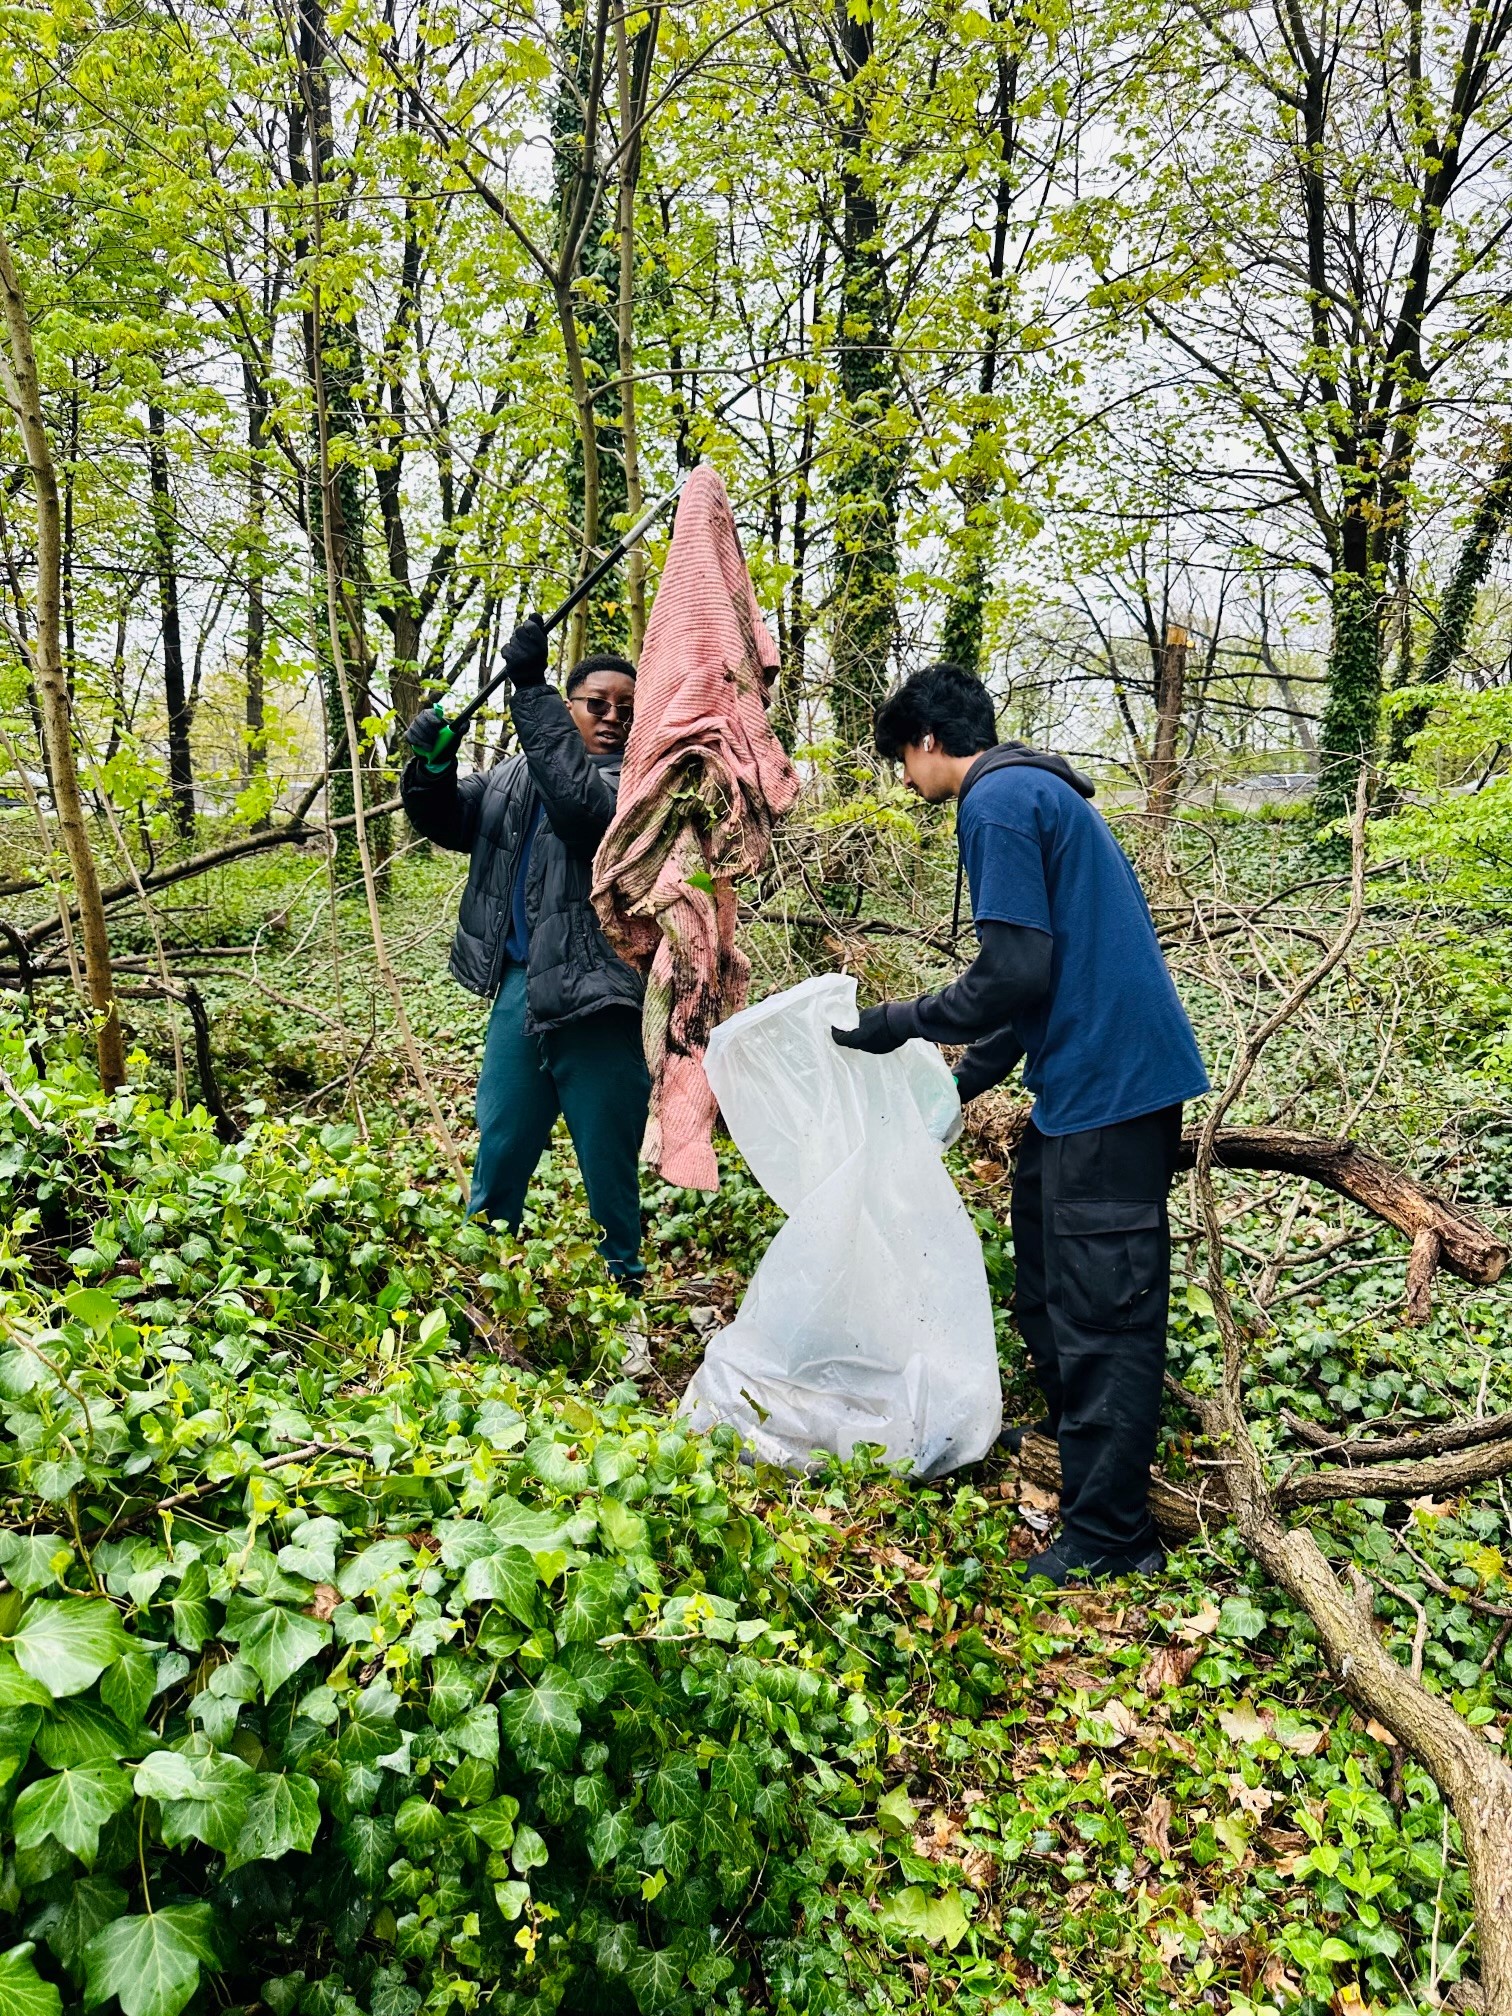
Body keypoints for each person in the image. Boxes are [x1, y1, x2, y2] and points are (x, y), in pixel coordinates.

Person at [833, 662, 1209, 1584]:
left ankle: (1112, 1535)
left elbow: (1009, 975)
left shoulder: (995, 803)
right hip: (1087, 1083)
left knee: (1103, 1308)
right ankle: (1075, 1435)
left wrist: (897, 1023)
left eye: (901, 762)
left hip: (1111, 1085)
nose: (907, 784)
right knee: (1042, 1246)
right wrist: (959, 1087)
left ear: (926, 743)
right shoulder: (1033, 792)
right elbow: (1028, 983)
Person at [401, 617, 651, 1291]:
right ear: (572, 708)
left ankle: (622, 1289)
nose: (611, 718)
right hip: (519, 991)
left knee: (608, 1161)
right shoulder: (514, 775)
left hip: (599, 996)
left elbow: (581, 812)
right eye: (596, 704)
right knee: (503, 1143)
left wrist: (530, 688)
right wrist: (430, 764)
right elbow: (448, 820)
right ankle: (483, 1281)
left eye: (626, 709)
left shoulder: (634, 784)